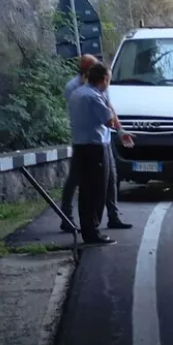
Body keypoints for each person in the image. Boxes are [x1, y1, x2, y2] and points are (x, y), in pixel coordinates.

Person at [60, 55, 132, 232]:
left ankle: (112, 216)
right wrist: (116, 127)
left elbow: (108, 106)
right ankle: (72, 220)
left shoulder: (92, 90)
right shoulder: (76, 89)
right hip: (89, 142)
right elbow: (101, 115)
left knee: (110, 179)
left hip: (103, 140)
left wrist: (120, 130)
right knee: (84, 183)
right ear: (88, 71)